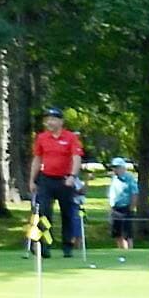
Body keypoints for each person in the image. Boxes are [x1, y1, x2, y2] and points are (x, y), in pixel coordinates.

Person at [30, 108, 90, 264]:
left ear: (61, 122)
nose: (50, 122)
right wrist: (32, 180)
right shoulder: (42, 138)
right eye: (48, 119)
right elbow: (37, 159)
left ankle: (67, 246)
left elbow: (76, 158)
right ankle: (45, 245)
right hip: (46, 179)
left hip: (64, 180)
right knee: (44, 212)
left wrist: (72, 176)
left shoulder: (70, 138)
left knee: (67, 214)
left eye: (53, 119)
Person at [105, 156, 142, 256]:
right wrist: (110, 209)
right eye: (113, 167)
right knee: (117, 233)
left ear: (122, 167)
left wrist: (131, 207)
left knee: (127, 233)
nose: (114, 169)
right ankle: (121, 252)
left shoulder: (129, 178)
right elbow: (112, 195)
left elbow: (134, 193)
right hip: (115, 208)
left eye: (116, 167)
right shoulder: (114, 179)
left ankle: (129, 253)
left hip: (126, 208)